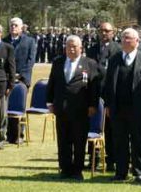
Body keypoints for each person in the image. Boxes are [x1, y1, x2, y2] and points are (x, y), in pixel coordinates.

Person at [104, 26, 141, 183]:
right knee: (119, 140)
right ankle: (121, 172)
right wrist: (108, 104)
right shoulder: (114, 59)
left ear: (137, 41)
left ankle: (138, 172)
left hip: (138, 109)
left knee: (139, 141)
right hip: (118, 108)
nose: (125, 41)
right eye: (123, 38)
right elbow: (108, 84)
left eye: (129, 38)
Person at [47, 34, 101, 181]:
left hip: (81, 109)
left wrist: (92, 105)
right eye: (68, 46)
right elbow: (52, 83)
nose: (71, 49)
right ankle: (65, 169)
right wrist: (49, 102)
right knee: (63, 140)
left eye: (74, 47)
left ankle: (77, 171)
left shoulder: (89, 63)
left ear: (80, 48)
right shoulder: (58, 62)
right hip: (61, 108)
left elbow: (94, 88)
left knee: (79, 141)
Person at [88, 21, 122, 172]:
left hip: (110, 94)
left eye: (107, 31)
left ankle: (111, 160)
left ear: (113, 32)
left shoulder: (118, 50)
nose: (104, 34)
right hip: (94, 93)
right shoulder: (92, 50)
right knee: (92, 125)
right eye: (101, 31)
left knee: (111, 129)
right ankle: (93, 159)